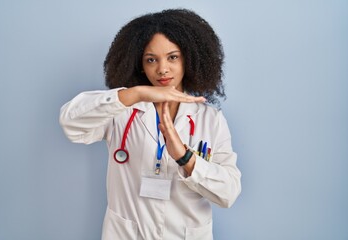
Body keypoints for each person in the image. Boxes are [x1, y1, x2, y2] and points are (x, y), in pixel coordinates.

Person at [59, 8, 241, 240]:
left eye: (172, 57)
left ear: (190, 58)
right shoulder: (122, 111)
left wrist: (185, 157)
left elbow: (228, 193)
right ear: (139, 65)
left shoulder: (210, 119)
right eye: (151, 60)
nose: (162, 69)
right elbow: (70, 123)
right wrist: (134, 94)